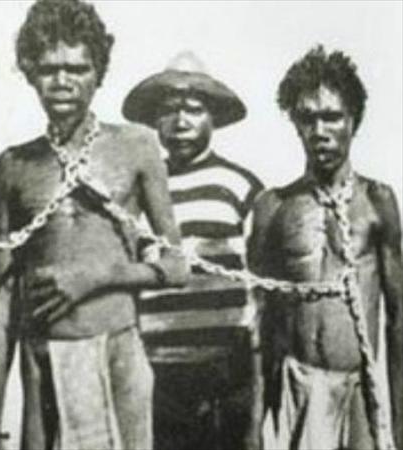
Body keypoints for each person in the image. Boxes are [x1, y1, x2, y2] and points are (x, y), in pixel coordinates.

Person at [0, 1, 190, 449]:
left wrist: (98, 277)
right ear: (29, 71)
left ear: (99, 73)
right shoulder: (12, 166)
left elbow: (178, 267)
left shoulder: (137, 147)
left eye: (77, 68)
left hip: (117, 352)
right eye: (49, 69)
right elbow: (1, 298)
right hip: (42, 359)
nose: (63, 81)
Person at [251, 45, 401, 450]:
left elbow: (398, 319)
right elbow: (259, 324)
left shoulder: (378, 201)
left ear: (354, 121)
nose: (320, 131)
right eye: (307, 118)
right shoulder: (273, 207)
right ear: (295, 124)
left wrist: (399, 422)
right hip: (298, 389)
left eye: (332, 116)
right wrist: (255, 423)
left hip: (358, 389)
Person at [122, 51, 265, 450]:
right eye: (169, 110)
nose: (181, 121)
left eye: (194, 109)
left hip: (226, 374)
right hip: (160, 377)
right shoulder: (137, 193)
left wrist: (254, 406)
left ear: (213, 117)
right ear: (155, 120)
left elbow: (263, 299)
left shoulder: (241, 188)